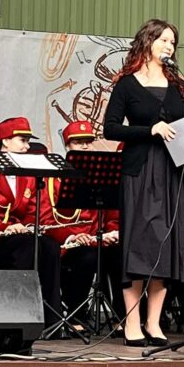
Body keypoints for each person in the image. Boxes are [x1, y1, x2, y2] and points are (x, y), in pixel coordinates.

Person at [103, 19, 184, 347]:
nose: (169, 46)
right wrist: (150, 130)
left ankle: (153, 322)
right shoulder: (126, 84)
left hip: (172, 172)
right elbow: (110, 128)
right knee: (138, 246)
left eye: (173, 42)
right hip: (140, 170)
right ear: (147, 42)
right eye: (163, 40)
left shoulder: (179, 84)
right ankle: (132, 322)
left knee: (166, 245)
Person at [0, 116, 62, 330]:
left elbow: (33, 212)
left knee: (49, 246)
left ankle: (52, 319)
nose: (27, 147)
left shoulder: (28, 175)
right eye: (22, 140)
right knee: (27, 247)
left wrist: (33, 226)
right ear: (5, 141)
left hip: (16, 237)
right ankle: (19, 315)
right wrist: (5, 228)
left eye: (28, 141)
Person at [41, 121, 124, 330]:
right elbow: (46, 219)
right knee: (87, 258)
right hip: (68, 243)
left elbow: (111, 213)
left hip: (97, 239)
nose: (85, 147)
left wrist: (113, 232)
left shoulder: (102, 175)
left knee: (121, 254)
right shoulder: (53, 179)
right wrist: (73, 236)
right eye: (78, 143)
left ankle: (121, 316)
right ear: (67, 146)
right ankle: (76, 314)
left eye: (88, 142)